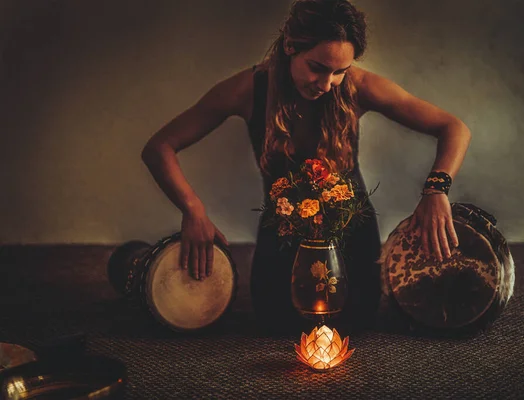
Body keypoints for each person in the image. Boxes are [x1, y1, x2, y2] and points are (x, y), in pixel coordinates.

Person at [141, 0, 471, 335]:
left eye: (339, 72)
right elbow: (159, 147)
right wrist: (193, 209)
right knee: (275, 329)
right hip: (284, 243)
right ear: (289, 46)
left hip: (351, 242)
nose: (326, 83)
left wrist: (436, 189)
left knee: (355, 329)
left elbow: (454, 127)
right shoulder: (247, 89)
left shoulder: (360, 86)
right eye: (317, 67)